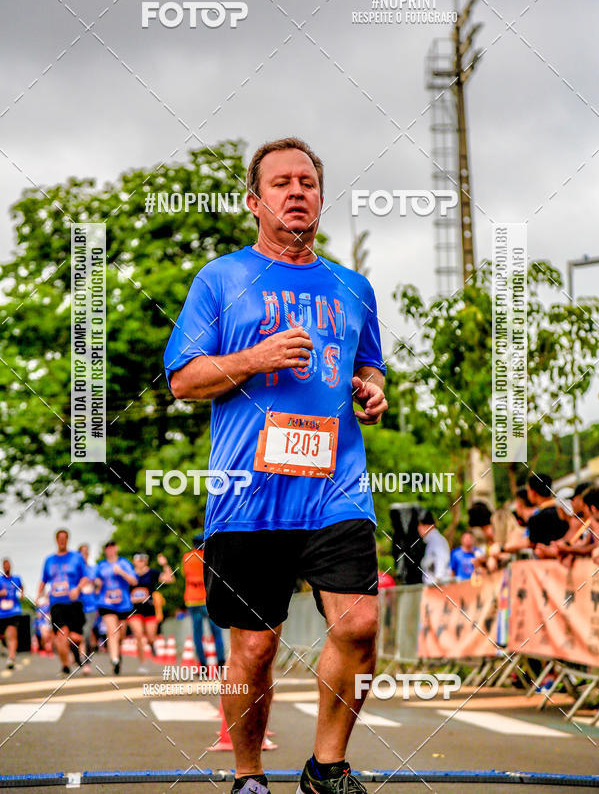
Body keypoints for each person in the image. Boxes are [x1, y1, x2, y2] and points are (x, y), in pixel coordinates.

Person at [164, 137, 388, 794]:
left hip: (335, 490)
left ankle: (327, 766)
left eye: (308, 182)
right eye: (281, 183)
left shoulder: (353, 287)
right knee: (255, 648)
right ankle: (250, 776)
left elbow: (368, 364)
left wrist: (372, 388)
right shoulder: (221, 279)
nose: (297, 192)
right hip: (248, 495)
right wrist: (256, 358)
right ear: (254, 201)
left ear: (320, 197)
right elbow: (182, 379)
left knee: (362, 624)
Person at [37, 530, 87, 676]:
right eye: (60, 539)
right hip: (57, 603)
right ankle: (65, 665)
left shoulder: (76, 558)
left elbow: (85, 578)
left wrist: (77, 589)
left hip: (73, 602)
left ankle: (78, 650)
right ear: (56, 540)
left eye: (65, 539)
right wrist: (38, 595)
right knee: (60, 634)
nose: (62, 541)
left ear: (68, 540)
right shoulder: (49, 560)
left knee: (75, 636)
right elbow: (43, 580)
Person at [183, 533, 226, 669]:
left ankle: (202, 664)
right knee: (216, 632)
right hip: (208, 600)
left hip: (192, 600)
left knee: (197, 634)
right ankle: (220, 662)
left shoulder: (187, 558)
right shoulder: (210, 557)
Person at [94, 541, 137, 675]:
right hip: (106, 603)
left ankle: (117, 654)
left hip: (123, 604)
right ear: (105, 550)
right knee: (112, 631)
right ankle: (114, 659)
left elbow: (134, 581)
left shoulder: (124, 563)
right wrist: (97, 584)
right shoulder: (101, 566)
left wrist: (121, 573)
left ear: (116, 549)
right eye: (108, 548)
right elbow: (95, 582)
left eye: (112, 547)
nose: (110, 550)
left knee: (121, 634)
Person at [129, 551, 174, 673]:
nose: (141, 560)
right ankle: (143, 664)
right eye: (138, 558)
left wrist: (165, 565)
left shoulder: (152, 572)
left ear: (147, 560)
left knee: (150, 637)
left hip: (149, 610)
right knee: (138, 635)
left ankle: (152, 643)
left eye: (144, 558)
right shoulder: (129, 574)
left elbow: (170, 579)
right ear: (134, 561)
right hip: (134, 611)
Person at [526, 473, 569, 548]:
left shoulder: (534, 520)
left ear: (533, 493)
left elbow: (533, 545)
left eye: (528, 491)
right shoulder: (565, 511)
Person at [0, 558, 24, 670]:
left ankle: (11, 657)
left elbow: (22, 587)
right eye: (5, 565)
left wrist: (22, 594)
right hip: (2, 612)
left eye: (8, 565)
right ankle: (5, 648)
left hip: (14, 611)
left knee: (12, 634)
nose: (7, 567)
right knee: (5, 635)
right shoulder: (0, 580)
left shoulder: (16, 579)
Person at [78, 544, 97, 675]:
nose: (85, 555)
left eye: (86, 552)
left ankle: (86, 661)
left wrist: (95, 583)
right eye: (82, 552)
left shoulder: (93, 570)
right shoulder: (75, 572)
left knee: (86, 633)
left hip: (91, 606)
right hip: (77, 606)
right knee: (79, 635)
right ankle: (77, 657)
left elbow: (99, 585)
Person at [417, 511, 451, 585]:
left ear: (429, 526)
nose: (419, 529)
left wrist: (438, 580)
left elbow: (441, 559)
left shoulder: (437, 540)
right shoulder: (430, 541)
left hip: (437, 586)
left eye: (421, 526)